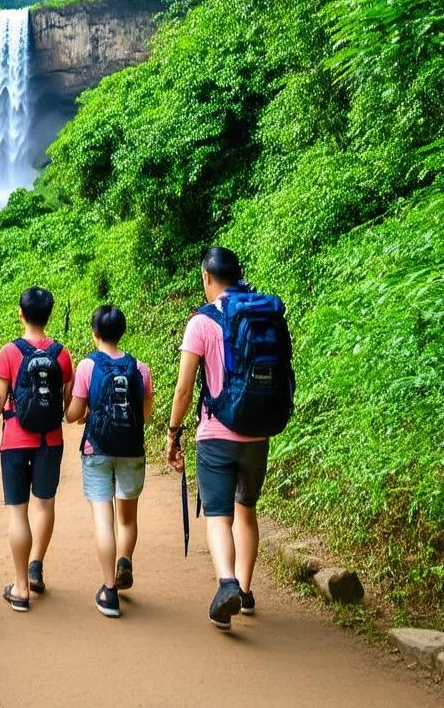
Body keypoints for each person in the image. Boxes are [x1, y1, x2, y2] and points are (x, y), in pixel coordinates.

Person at [165, 246, 270, 630]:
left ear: (207, 277)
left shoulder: (202, 322)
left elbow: (184, 390)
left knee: (218, 516)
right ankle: (245, 589)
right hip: (258, 432)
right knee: (247, 509)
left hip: (216, 435)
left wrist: (173, 432)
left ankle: (226, 582)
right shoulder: (263, 314)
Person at [0, 287, 74, 612]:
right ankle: (36, 564)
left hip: (16, 441)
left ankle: (20, 587)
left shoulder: (10, 352)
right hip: (50, 441)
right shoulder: (62, 355)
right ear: (48, 315)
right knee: (44, 505)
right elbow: (66, 403)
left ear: (20, 313)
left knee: (18, 512)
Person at [66, 305, 154, 618]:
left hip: (97, 450)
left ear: (95, 333)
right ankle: (124, 561)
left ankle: (109, 590)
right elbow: (144, 414)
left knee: (104, 520)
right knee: (127, 519)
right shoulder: (140, 369)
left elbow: (73, 413)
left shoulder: (88, 366)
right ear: (122, 331)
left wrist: (88, 412)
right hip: (131, 449)